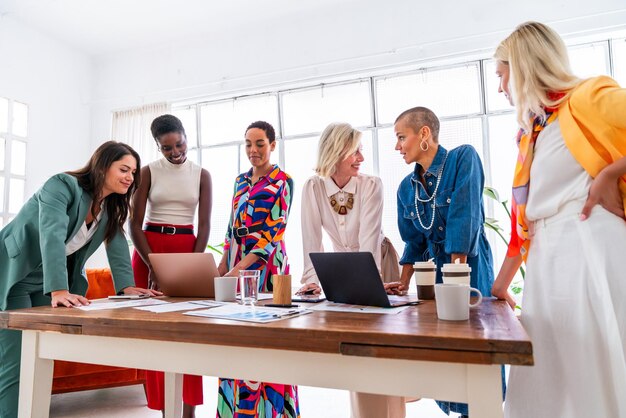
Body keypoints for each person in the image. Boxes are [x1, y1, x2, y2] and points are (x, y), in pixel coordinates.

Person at [491, 21, 626, 418]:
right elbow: (526, 221)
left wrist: (611, 173)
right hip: (549, 261)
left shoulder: (589, 94)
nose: (500, 87)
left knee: (593, 373)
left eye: (502, 74)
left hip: (589, 247)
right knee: (549, 384)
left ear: (524, 64)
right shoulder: (532, 131)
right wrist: (498, 287)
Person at [0, 141, 160, 418]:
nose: (130, 178)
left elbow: (117, 242)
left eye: (133, 173)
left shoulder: (110, 207)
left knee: (39, 357)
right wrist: (59, 289)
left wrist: (126, 286)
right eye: (124, 169)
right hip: (14, 272)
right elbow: (51, 232)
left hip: (43, 282)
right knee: (16, 359)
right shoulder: (61, 185)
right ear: (103, 165)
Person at [296, 122, 405, 418]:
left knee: (383, 348)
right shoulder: (313, 187)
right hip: (340, 270)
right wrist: (311, 282)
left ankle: (391, 412)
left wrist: (369, 282)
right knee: (356, 350)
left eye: (361, 150)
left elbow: (368, 241)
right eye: (354, 151)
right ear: (336, 151)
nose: (361, 157)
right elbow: (311, 240)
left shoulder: (371, 185)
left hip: (376, 265)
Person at [394, 106, 495, 417]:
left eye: (401, 137)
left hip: (469, 273)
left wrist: (455, 283)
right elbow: (414, 241)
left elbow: (464, 220)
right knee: (447, 360)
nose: (397, 146)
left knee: (474, 355)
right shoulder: (405, 189)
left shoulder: (463, 158)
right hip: (439, 279)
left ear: (424, 134)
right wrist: (403, 283)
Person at [129, 114, 212, 418]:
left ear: (186, 136)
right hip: (149, 251)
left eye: (180, 144)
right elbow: (134, 224)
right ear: (157, 147)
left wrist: (190, 265)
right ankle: (165, 409)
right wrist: (153, 265)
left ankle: (187, 412)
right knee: (154, 336)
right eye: (167, 149)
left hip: (187, 251)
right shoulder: (148, 172)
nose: (176, 152)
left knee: (190, 332)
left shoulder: (202, 174)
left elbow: (204, 227)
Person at [216, 121, 298, 417]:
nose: (253, 150)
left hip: (270, 268)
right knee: (235, 338)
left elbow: (274, 232)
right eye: (248, 144)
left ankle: (271, 410)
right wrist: (225, 260)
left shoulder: (283, 181)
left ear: (272, 145)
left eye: (260, 144)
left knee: (269, 340)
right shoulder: (239, 181)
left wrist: (241, 266)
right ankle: (237, 410)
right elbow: (230, 226)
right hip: (237, 264)